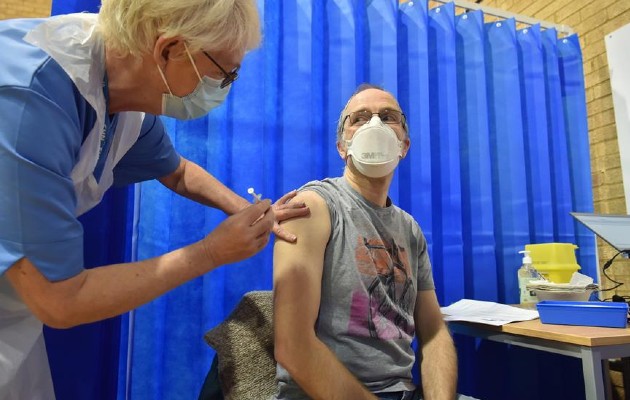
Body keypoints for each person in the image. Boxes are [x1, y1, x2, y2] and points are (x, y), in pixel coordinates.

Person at [0, 0, 308, 398]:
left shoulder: (119, 85)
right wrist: (210, 252)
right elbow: (60, 300)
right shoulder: (31, 100)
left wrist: (248, 211)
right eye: (222, 75)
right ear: (168, 49)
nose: (223, 87)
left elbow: (176, 171)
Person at [272, 84, 469, 400]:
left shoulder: (409, 229)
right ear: (342, 145)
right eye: (359, 118)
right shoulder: (312, 207)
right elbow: (293, 347)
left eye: (388, 116)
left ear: (404, 144)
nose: (374, 125)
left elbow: (433, 331)